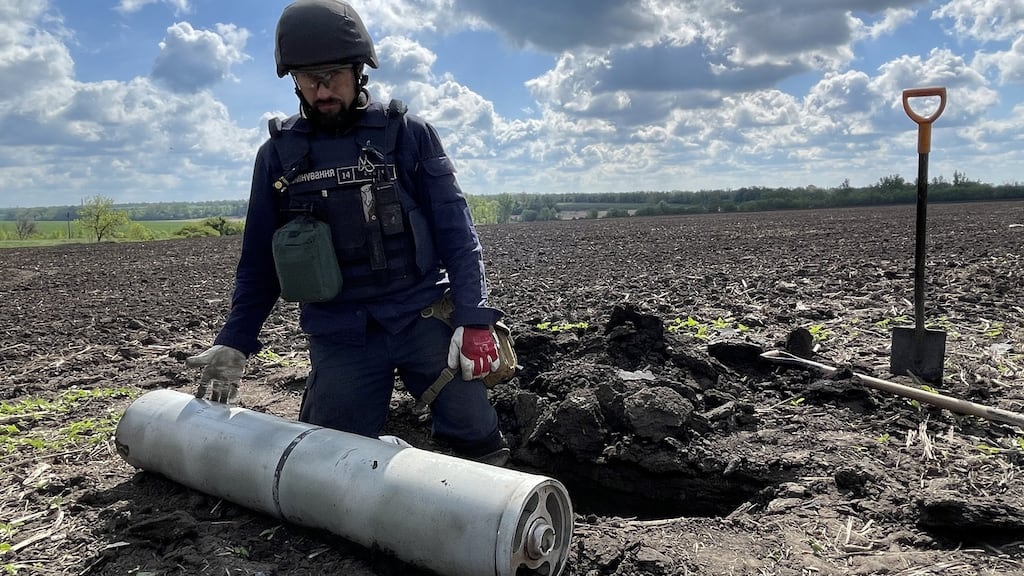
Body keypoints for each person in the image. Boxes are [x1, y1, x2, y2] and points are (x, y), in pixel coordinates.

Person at [185, 0, 509, 466]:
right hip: (341, 333)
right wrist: (236, 340)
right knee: (326, 462)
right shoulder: (277, 157)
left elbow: (459, 236)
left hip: (421, 316)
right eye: (306, 78)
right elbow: (259, 262)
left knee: (477, 436)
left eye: (333, 74)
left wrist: (474, 319)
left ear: (359, 71)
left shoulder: (410, 135)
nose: (321, 90)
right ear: (292, 80)